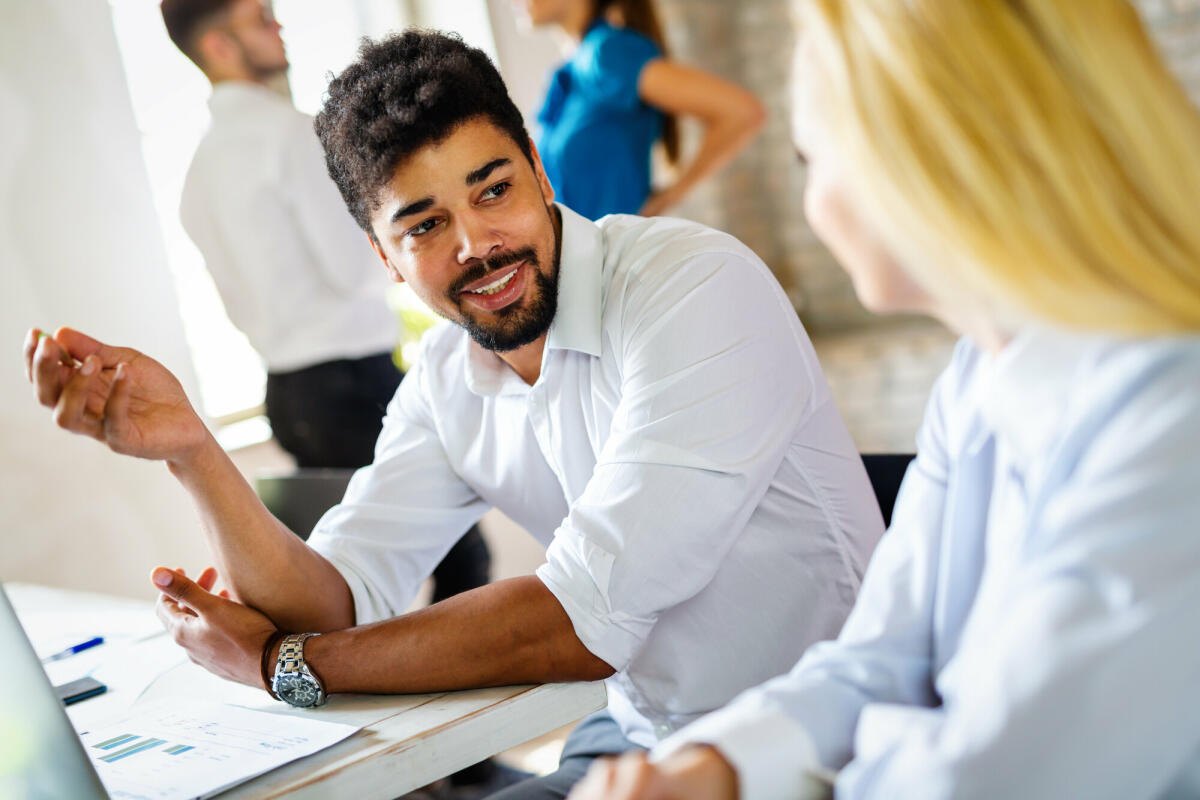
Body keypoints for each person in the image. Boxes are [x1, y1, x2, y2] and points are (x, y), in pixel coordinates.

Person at [24, 29, 883, 800]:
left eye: (493, 190)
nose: (476, 244)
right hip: (638, 735)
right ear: (385, 258)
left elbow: (581, 620)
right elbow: (336, 601)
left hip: (827, 745)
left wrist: (282, 668)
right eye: (425, 224)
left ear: (541, 173)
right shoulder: (445, 375)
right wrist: (193, 452)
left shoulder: (689, 285)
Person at [567, 1, 1200, 799]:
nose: (813, 203)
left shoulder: (1173, 416)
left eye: (810, 159)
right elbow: (884, 656)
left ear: (921, 152)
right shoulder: (978, 376)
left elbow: (999, 773)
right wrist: (715, 768)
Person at [160, 0, 493, 617]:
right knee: (459, 558)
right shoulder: (291, 136)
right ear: (220, 48)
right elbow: (357, 269)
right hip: (352, 383)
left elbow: (236, 303)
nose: (279, 25)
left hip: (287, 392)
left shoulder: (197, 172)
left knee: (343, 576)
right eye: (260, 19)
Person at [517, 0, 765, 219]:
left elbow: (742, 112)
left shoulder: (609, 54)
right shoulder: (572, 71)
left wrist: (667, 198)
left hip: (619, 263)